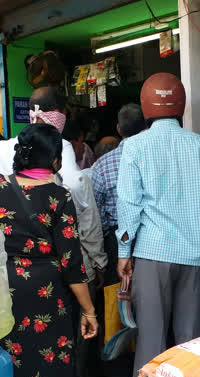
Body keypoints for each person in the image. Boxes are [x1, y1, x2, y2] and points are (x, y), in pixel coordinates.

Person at [0, 123, 98, 377]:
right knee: (50, 367)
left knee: (8, 362)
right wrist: (89, 311)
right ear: (53, 160)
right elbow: (71, 263)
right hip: (47, 296)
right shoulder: (59, 197)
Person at [117, 73, 200, 377]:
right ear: (179, 106)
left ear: (145, 107)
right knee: (191, 341)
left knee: (151, 342)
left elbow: (128, 205)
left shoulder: (134, 146)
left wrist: (124, 254)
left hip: (153, 253)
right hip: (197, 254)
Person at [0, 86, 108, 288]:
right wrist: (99, 260)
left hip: (15, 262)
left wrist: (3, 215)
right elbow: (77, 192)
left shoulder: (4, 148)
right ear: (60, 113)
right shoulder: (61, 146)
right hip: (61, 257)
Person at [90, 104, 145, 284]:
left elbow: (97, 213)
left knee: (119, 297)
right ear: (145, 127)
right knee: (152, 296)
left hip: (116, 239)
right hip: (152, 236)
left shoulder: (101, 165)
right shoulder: (156, 158)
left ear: (119, 129)